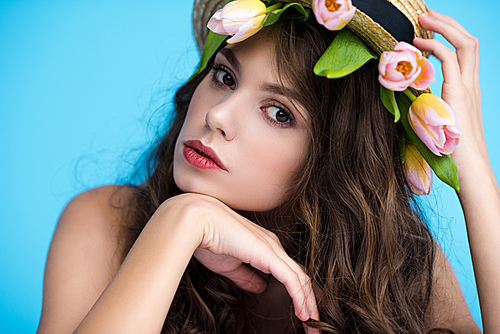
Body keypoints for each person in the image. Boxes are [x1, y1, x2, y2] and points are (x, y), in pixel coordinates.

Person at [36, 0, 500, 333]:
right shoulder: (104, 221)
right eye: (224, 76)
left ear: (337, 156)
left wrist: (474, 174)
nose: (217, 116)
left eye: (279, 112)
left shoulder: (400, 264)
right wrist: (180, 223)